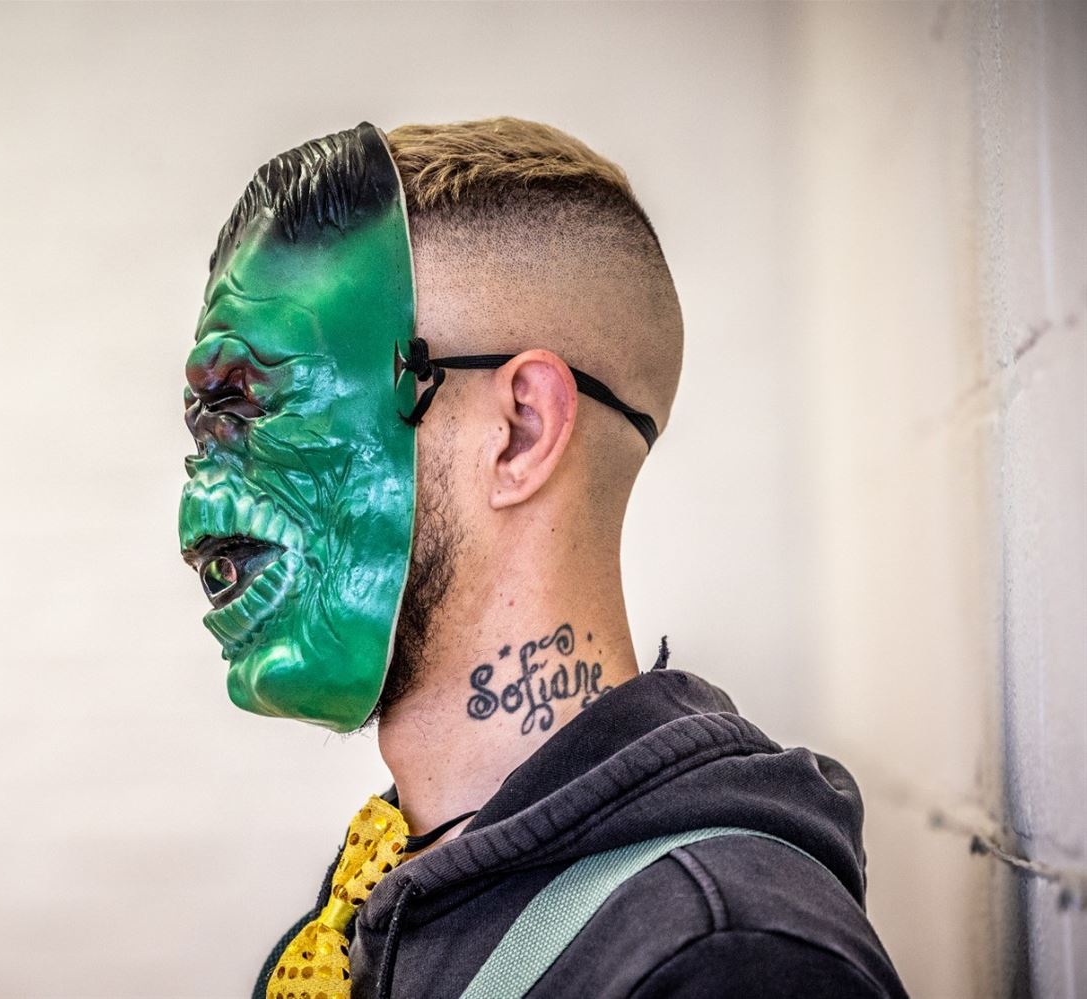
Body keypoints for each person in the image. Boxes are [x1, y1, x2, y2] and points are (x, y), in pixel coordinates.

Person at [179, 118, 907, 999]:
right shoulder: (379, 889)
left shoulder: (725, 960)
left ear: (520, 431)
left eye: (258, 406)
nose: (194, 522)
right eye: (205, 431)